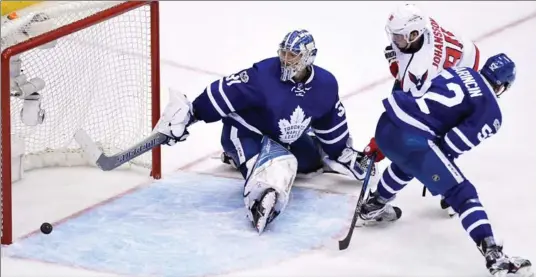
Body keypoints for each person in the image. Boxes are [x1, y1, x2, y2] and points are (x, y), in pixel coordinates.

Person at [154, 29, 373, 234]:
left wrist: (342, 153)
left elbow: (330, 121)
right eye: (284, 53)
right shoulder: (262, 76)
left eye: (293, 55)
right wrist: (192, 114)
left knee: (310, 164)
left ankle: (243, 160)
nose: (286, 59)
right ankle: (260, 196)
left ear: (309, 57)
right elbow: (223, 93)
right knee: (272, 166)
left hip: (285, 136)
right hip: (244, 132)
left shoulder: (325, 84)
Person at [360, 53, 532, 276]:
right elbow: (453, 143)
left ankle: (375, 204)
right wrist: (436, 173)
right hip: (413, 140)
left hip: (387, 125)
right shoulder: (492, 111)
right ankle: (494, 256)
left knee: (409, 163)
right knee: (462, 192)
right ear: (503, 85)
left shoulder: (463, 71)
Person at [367, 3, 482, 214]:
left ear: (414, 34)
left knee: (427, 144)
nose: (395, 41)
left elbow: (409, 114)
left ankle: (450, 188)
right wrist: (398, 65)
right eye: (394, 35)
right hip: (464, 56)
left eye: (400, 37)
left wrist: (380, 143)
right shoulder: (422, 26)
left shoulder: (422, 68)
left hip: (461, 77)